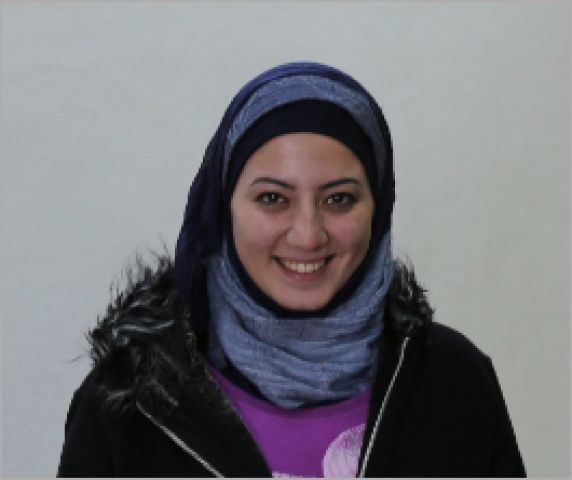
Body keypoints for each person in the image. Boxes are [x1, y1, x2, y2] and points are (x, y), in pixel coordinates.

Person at [57, 62, 526, 477]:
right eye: (272, 198)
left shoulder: (454, 382)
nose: (307, 235)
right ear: (224, 210)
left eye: (339, 199)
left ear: (378, 209)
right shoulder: (128, 404)